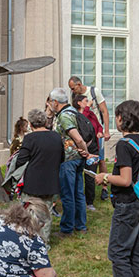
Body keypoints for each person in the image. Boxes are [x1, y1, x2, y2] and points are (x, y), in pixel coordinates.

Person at [94, 100, 139, 277]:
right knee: (135, 251)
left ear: (120, 118)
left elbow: (125, 179)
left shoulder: (125, 144)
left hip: (126, 204)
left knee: (118, 253)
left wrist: (103, 177)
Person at [13, 108, 65, 242]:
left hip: (32, 181)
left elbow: (21, 160)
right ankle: (44, 243)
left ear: (30, 124)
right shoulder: (56, 137)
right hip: (50, 180)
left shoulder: (30, 138)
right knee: (46, 214)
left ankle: (28, 240)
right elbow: (62, 158)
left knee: (28, 213)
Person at [47, 87, 91, 236]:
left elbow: (77, 137)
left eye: (50, 102)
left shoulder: (64, 116)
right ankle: (81, 226)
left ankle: (67, 229)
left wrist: (85, 150)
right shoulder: (73, 111)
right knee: (78, 193)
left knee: (68, 194)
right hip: (77, 159)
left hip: (68, 160)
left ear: (55, 102)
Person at [68, 76, 110, 200]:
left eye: (73, 88)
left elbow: (104, 111)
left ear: (79, 84)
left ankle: (104, 187)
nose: (72, 91)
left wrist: (105, 130)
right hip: (84, 134)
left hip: (96, 132)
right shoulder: (75, 98)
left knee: (101, 160)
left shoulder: (93, 92)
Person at [75, 93, 104, 212]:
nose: (89, 103)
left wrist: (100, 132)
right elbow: (83, 119)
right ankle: (77, 200)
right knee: (78, 176)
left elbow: (98, 125)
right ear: (79, 103)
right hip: (81, 149)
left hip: (93, 148)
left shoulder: (91, 113)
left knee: (91, 174)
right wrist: (87, 107)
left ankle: (89, 201)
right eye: (86, 101)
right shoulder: (78, 115)